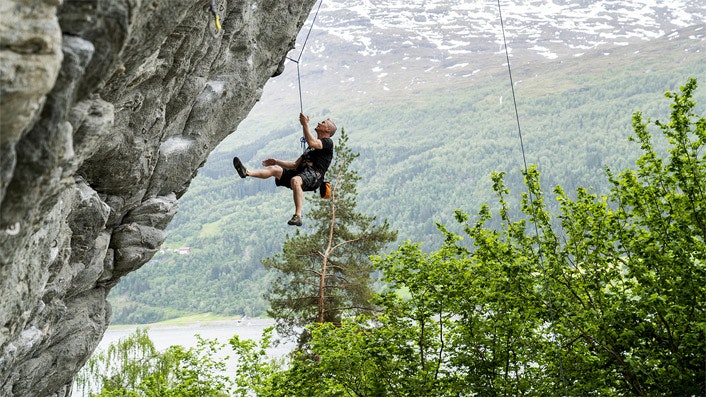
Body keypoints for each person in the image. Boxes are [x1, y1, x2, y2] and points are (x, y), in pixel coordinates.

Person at [232, 113, 336, 226]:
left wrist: (305, 124)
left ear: (328, 130)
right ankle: (246, 172)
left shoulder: (328, 143)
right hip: (302, 172)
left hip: (315, 176)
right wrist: (276, 162)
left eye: (323, 123)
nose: (319, 123)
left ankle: (298, 215)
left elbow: (312, 141)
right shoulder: (311, 148)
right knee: (274, 169)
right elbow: (294, 164)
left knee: (295, 180)